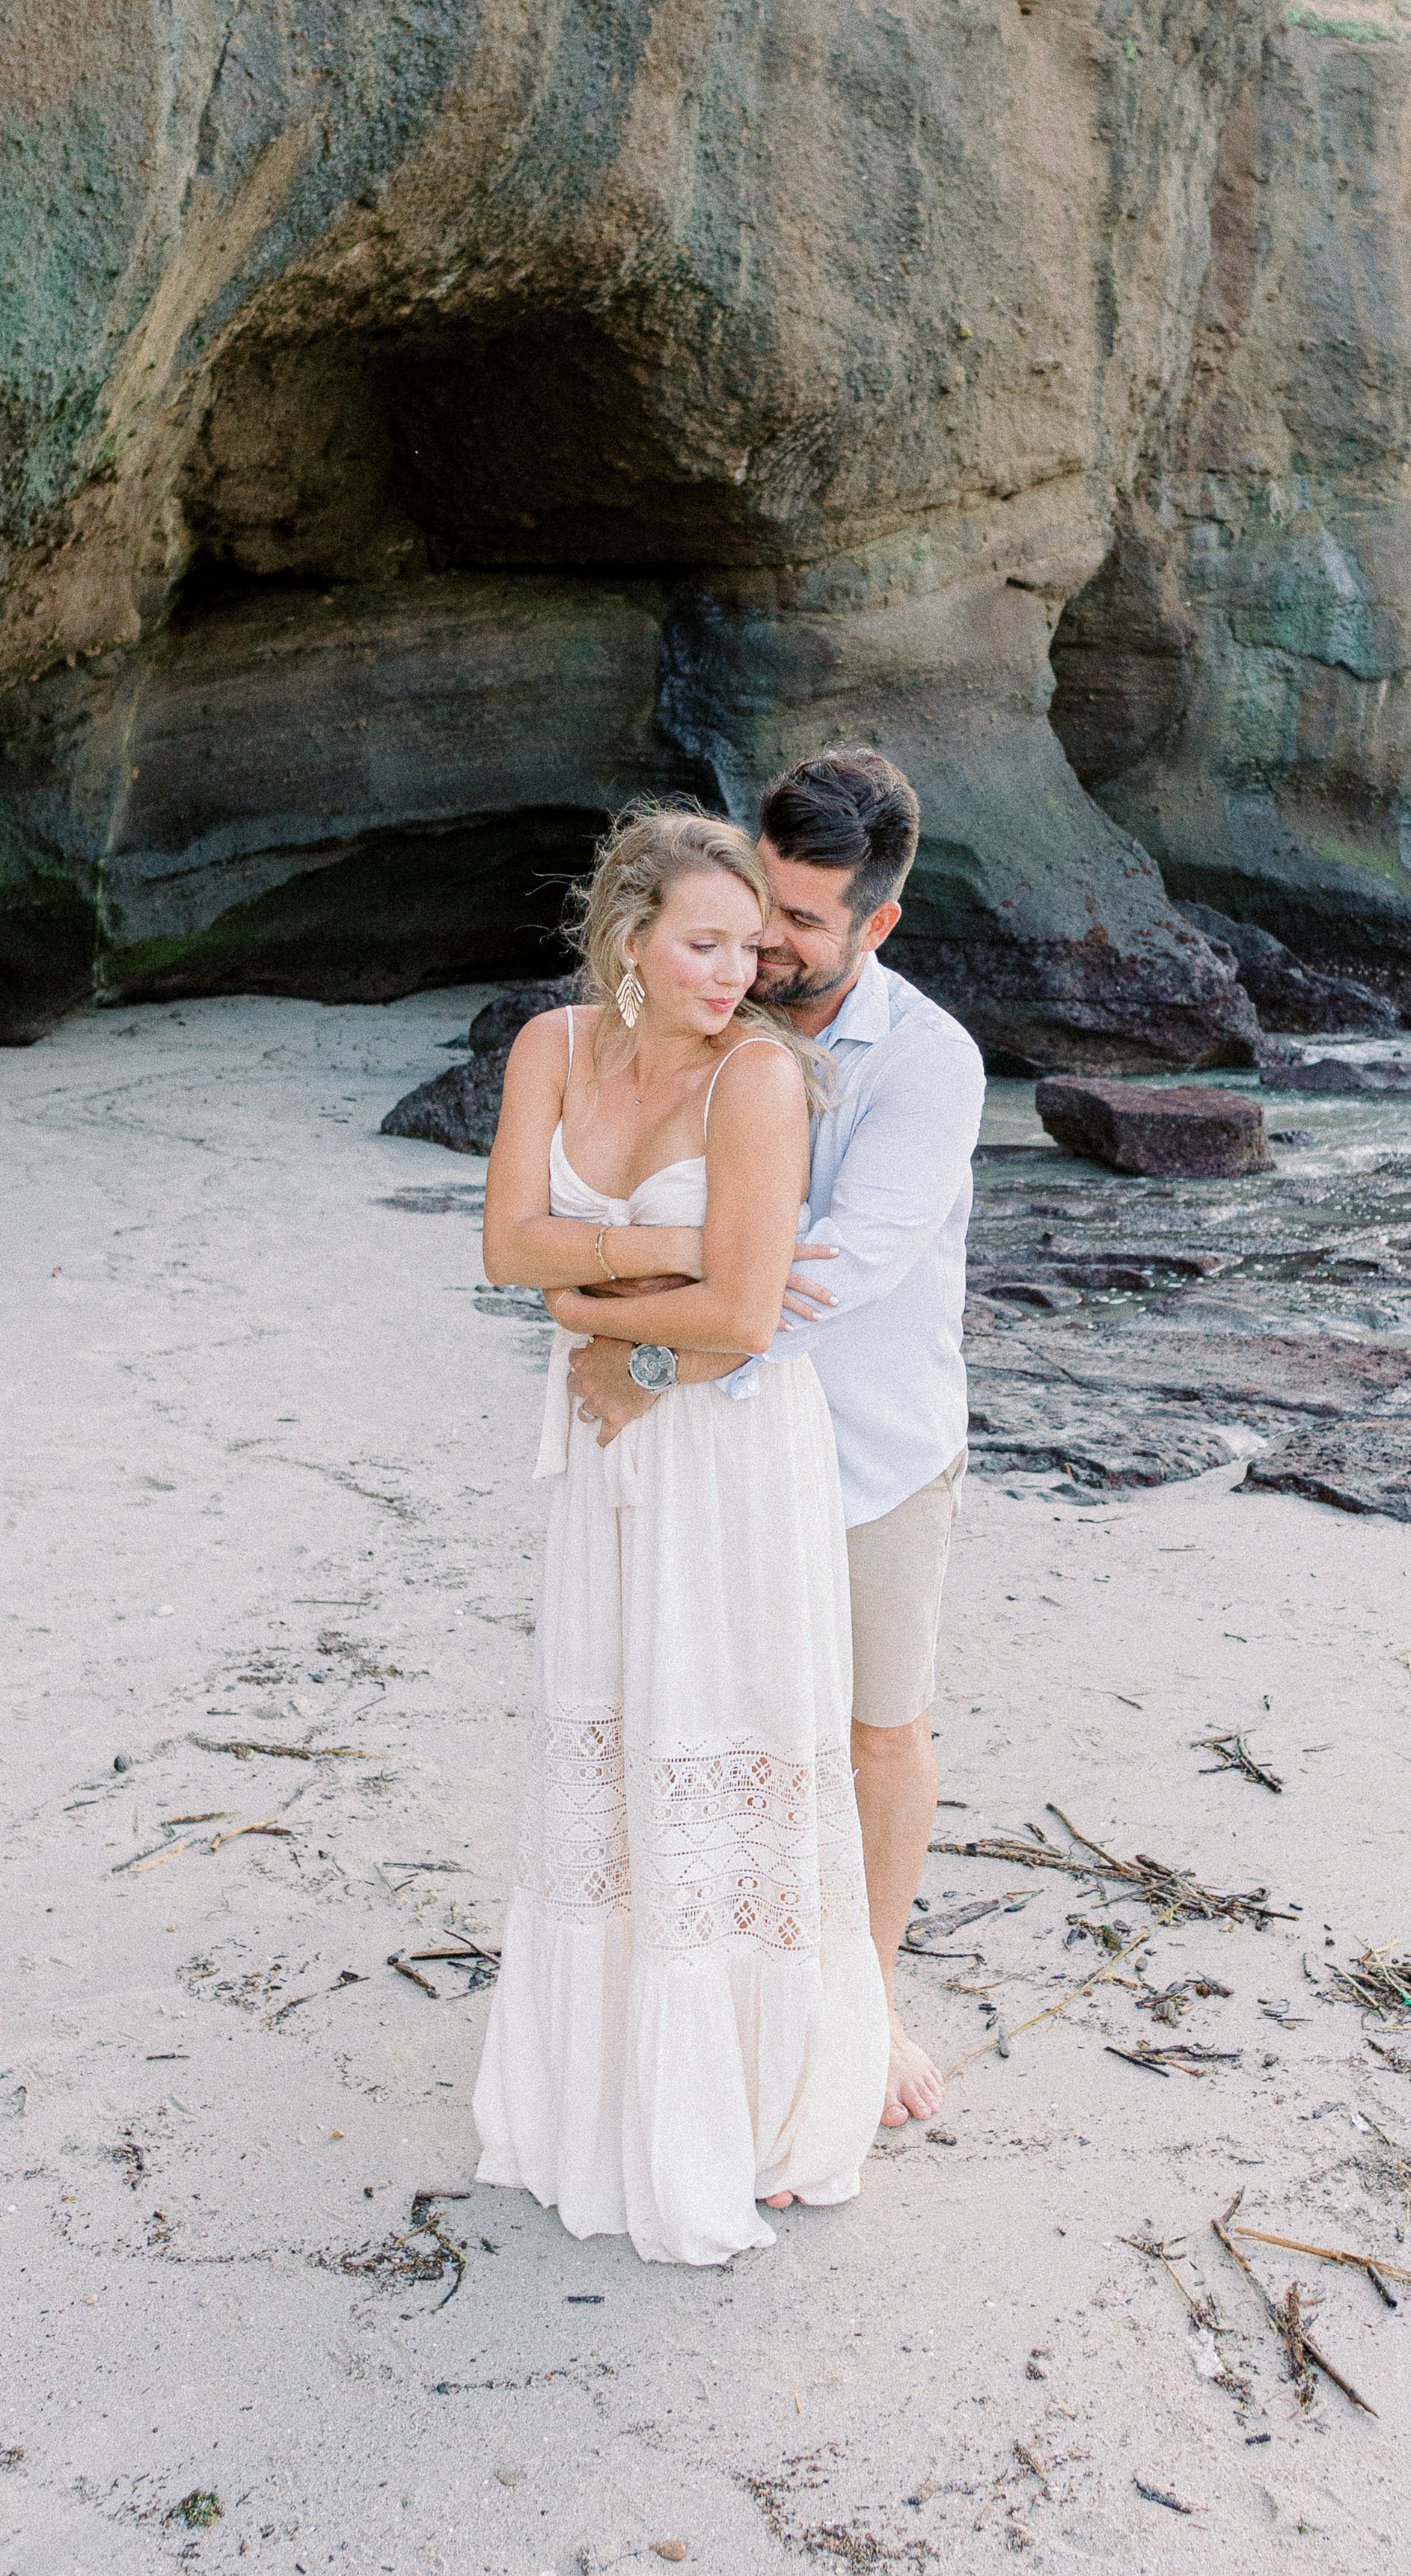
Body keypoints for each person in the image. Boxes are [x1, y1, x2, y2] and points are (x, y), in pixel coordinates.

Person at [472, 808, 889, 2268]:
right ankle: (595, 2106)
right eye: (705, 945)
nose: (737, 974)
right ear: (629, 938)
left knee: (716, 1737)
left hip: (725, 1459)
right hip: (604, 1456)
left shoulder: (760, 1078)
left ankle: (741, 2112)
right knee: (609, 1735)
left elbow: (744, 1316)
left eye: (752, 947)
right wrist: (656, 1258)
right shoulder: (550, 1049)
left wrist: (602, 1315)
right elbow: (505, 1247)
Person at [560, 751, 985, 2129]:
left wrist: (648, 1344)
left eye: (803, 921)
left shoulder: (929, 1064)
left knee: (878, 1731)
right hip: (711, 1456)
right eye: (759, 902)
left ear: (880, 922)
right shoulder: (704, 1008)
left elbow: (828, 1275)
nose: (768, 945)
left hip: (869, 1453)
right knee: (715, 1726)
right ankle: (707, 1993)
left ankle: (869, 2002)